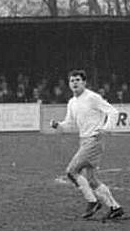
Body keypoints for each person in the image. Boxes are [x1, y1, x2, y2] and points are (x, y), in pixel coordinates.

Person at [50, 69, 125, 222]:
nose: (74, 83)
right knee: (91, 180)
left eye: (78, 80)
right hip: (84, 140)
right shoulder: (72, 102)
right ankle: (115, 207)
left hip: (93, 140)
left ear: (84, 82)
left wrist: (106, 129)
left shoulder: (92, 97)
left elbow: (113, 112)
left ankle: (92, 201)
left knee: (71, 171)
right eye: (72, 80)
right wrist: (58, 125)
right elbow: (70, 124)